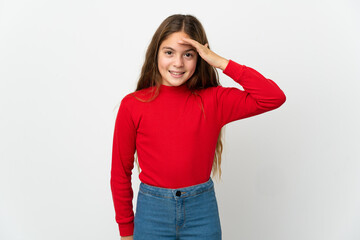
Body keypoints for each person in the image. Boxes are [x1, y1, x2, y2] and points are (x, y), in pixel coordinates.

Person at [110, 14, 286, 240]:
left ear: (201, 56)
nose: (178, 63)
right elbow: (120, 173)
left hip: (201, 211)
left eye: (189, 54)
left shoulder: (214, 101)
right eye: (169, 52)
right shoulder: (133, 105)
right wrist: (126, 231)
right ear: (156, 53)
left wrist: (221, 62)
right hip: (152, 212)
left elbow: (273, 97)